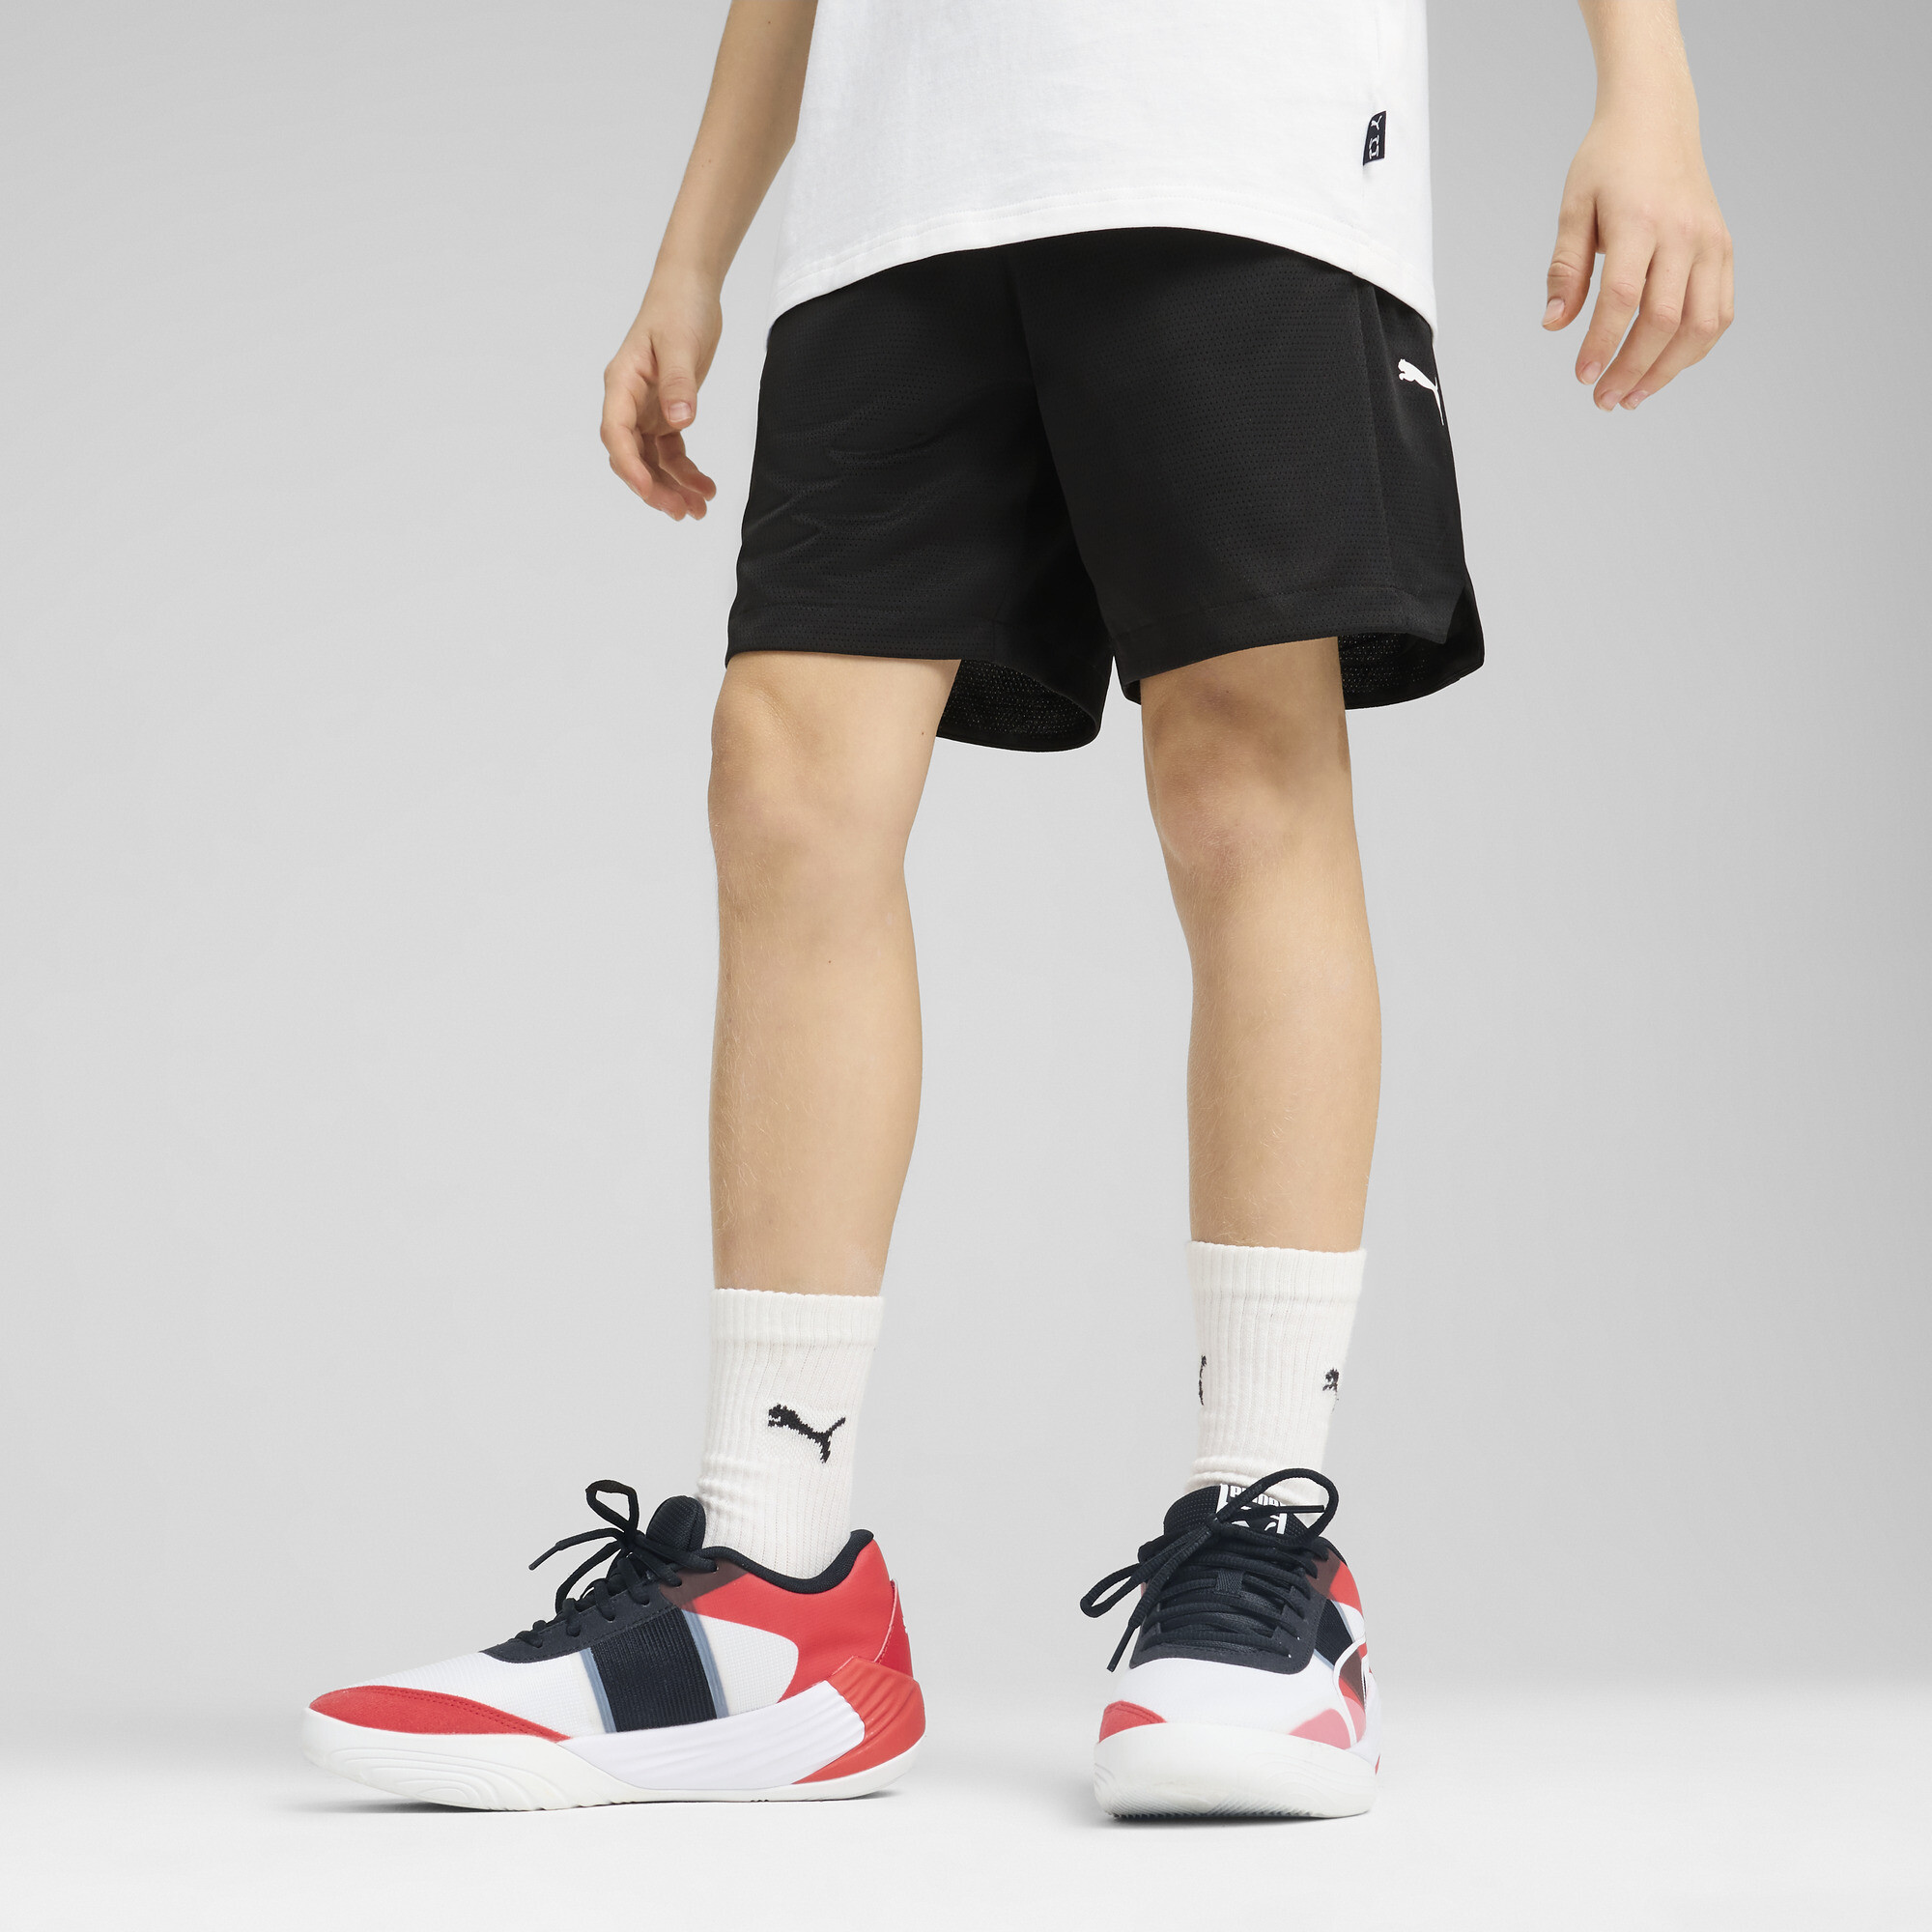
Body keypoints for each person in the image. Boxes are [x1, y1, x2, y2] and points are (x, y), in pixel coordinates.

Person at [303, 0, 1731, 1817]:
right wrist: (692, 253)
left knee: (1239, 770)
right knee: (784, 772)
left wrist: (1648, 78)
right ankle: (774, 1575)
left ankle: (1263, 1540)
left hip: (1233, 131)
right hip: (903, 168)